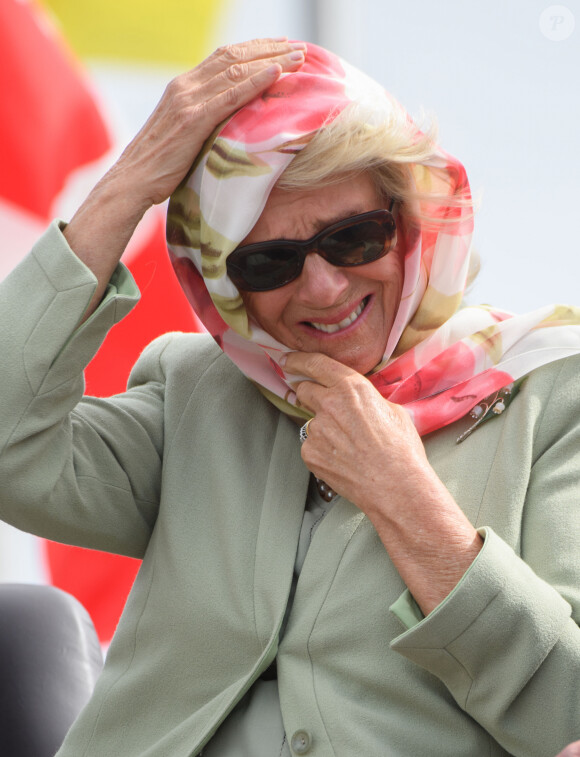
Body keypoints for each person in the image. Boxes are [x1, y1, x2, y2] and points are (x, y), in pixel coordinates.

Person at [0, 37, 579, 757]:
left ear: (411, 222)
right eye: (267, 262)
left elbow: (568, 707)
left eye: (354, 237)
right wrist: (129, 185)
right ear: (222, 287)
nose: (324, 288)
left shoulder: (552, 394)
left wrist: (405, 496)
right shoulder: (194, 393)